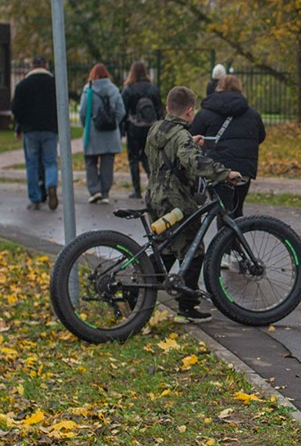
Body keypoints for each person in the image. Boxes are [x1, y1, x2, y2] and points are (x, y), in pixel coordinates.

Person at [146, 85, 243, 323]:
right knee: (193, 250)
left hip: (154, 196)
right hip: (176, 200)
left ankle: (139, 296)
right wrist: (225, 174)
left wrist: (190, 141)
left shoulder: (156, 129)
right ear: (190, 111)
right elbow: (195, 163)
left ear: (168, 107)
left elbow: (170, 153)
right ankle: (186, 307)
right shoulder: (181, 136)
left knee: (166, 248)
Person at [191, 74, 266, 218]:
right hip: (244, 169)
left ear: (219, 87)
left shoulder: (206, 112)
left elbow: (191, 136)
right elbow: (260, 136)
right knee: (237, 212)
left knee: (223, 213)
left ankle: (225, 241)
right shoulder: (252, 114)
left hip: (218, 169)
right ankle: (235, 239)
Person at [11, 55, 59, 211]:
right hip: (50, 128)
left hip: (30, 130)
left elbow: (16, 108)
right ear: (46, 65)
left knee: (31, 164)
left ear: (32, 66)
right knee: (50, 162)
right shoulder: (54, 84)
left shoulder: (23, 85)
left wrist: (21, 124)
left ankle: (35, 198)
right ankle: (51, 185)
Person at [78, 63, 126, 204]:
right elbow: (121, 111)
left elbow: (82, 112)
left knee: (90, 162)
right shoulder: (114, 90)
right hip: (110, 134)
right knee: (107, 163)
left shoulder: (89, 89)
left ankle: (95, 190)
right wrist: (113, 122)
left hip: (92, 132)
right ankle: (105, 193)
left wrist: (87, 124)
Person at [121, 60, 163, 199]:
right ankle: (154, 186)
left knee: (133, 158)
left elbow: (123, 111)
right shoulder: (152, 88)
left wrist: (122, 129)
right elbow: (159, 109)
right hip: (150, 127)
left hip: (134, 127)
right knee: (147, 156)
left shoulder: (128, 89)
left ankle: (137, 190)